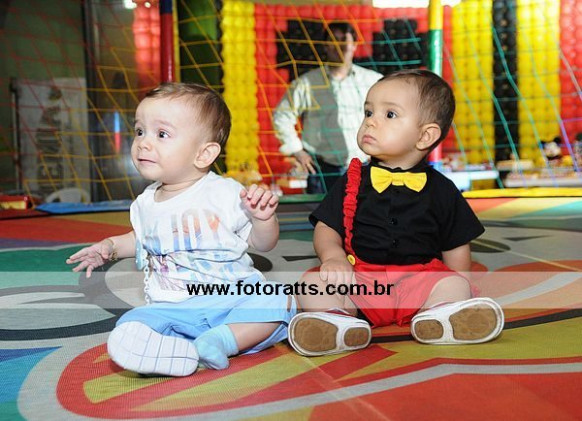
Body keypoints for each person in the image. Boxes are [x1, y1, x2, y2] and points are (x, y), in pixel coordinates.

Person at [67, 83, 296, 376]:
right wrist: (109, 247)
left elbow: (263, 244)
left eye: (161, 134)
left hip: (232, 300)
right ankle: (180, 352)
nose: (143, 143)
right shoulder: (145, 203)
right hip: (174, 309)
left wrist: (263, 219)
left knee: (278, 297)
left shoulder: (225, 193)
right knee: (132, 324)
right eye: (140, 131)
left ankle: (220, 341)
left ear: (204, 154)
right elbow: (140, 240)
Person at [287, 69, 504, 356]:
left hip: (419, 281)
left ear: (425, 136)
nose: (370, 121)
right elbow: (327, 227)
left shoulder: (443, 189)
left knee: (453, 283)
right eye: (368, 112)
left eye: (389, 114)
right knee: (312, 284)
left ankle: (441, 314)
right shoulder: (352, 180)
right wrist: (333, 257)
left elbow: (456, 244)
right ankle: (337, 322)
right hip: (361, 281)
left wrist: (460, 283)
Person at [273, 22, 382, 194]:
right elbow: (282, 116)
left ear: (354, 45)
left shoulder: (373, 81)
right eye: (333, 40)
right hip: (321, 171)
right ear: (325, 45)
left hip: (364, 166)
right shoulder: (306, 83)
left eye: (344, 39)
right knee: (322, 213)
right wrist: (296, 150)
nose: (339, 45)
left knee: (363, 211)